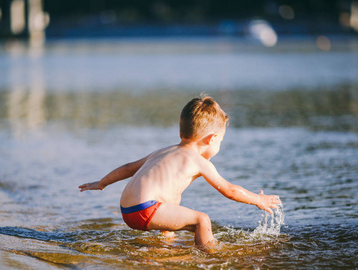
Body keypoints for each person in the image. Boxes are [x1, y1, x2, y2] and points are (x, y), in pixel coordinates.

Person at [79, 94, 281, 250]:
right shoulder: (198, 161)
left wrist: (102, 183)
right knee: (202, 220)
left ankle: (165, 248)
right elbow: (229, 190)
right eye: (220, 141)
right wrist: (258, 200)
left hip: (127, 209)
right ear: (211, 139)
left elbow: (128, 168)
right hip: (145, 209)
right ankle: (211, 254)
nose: (219, 146)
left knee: (173, 203)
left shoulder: (162, 151)